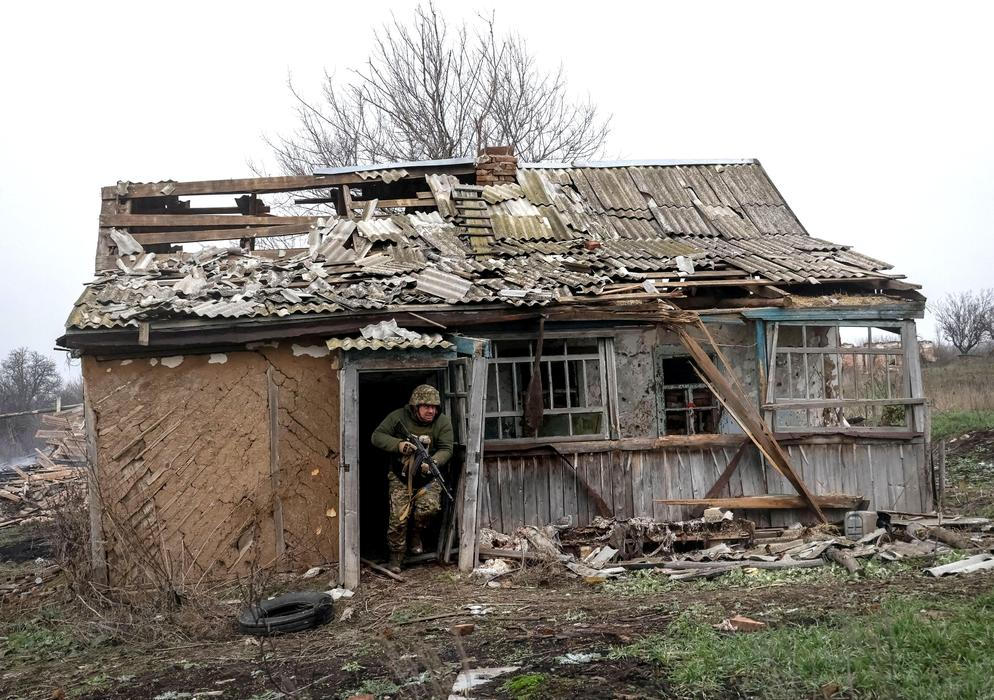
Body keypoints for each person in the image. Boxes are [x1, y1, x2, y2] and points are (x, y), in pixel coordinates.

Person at [371, 384, 454, 573]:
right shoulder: (398, 417)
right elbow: (376, 436)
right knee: (398, 520)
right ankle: (396, 556)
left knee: (429, 508)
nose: (431, 411)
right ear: (415, 406)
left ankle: (416, 533)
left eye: (434, 407)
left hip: (427, 478)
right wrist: (399, 445)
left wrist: (433, 462)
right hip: (400, 476)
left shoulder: (442, 423)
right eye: (426, 406)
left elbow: (447, 449)